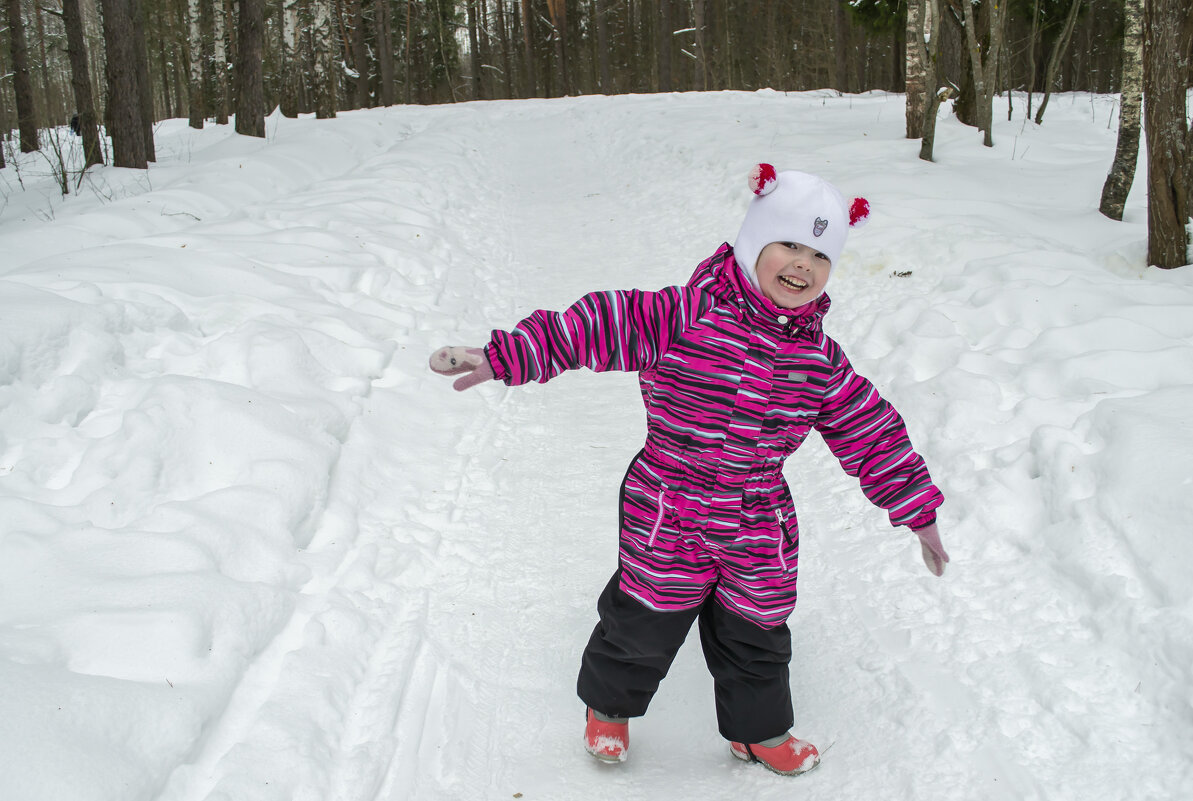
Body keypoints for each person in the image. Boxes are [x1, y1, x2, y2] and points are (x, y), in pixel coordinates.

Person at [428, 165, 948, 777]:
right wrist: (506, 355)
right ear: (753, 242)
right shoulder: (683, 315)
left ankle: (759, 732)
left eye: (819, 254)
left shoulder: (820, 359)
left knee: (758, 625)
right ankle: (609, 708)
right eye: (788, 244)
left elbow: (871, 431)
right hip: (669, 504)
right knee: (646, 615)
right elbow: (597, 323)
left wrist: (917, 511)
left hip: (758, 516)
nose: (802, 265)